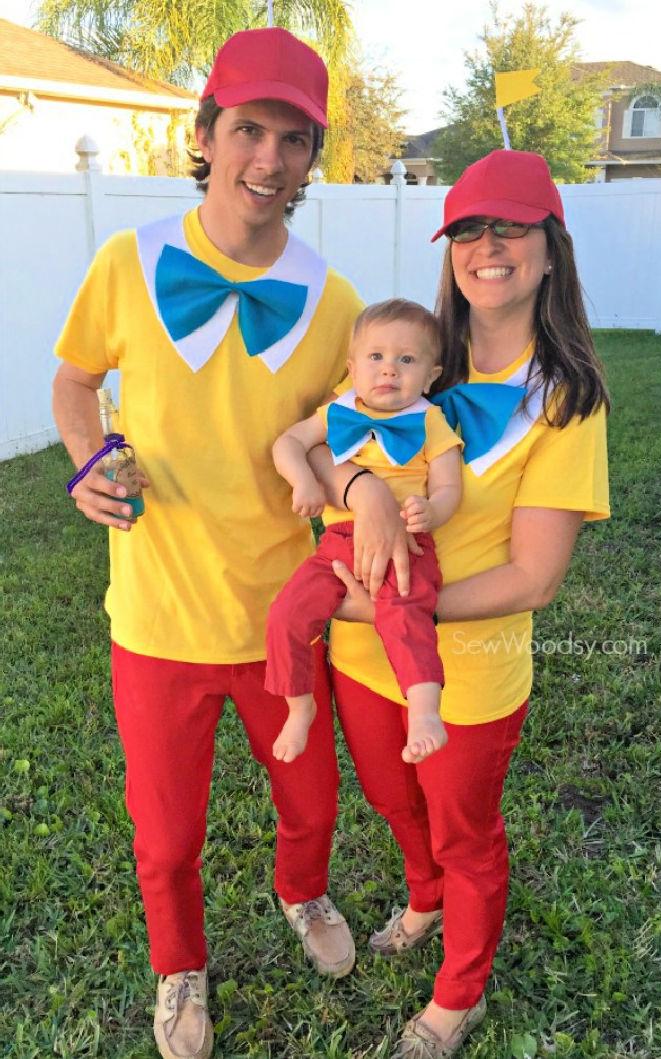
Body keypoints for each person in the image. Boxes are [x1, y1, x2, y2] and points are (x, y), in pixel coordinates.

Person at [52, 27, 363, 1059]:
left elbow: (350, 444)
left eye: (292, 138)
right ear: (204, 133)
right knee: (169, 834)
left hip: (285, 619)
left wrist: (347, 496)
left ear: (312, 159)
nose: (267, 159)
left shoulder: (335, 304)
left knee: (311, 804)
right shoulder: (130, 262)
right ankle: (179, 969)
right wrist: (92, 460)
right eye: (248, 130)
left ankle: (303, 895)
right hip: (155, 617)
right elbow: (74, 377)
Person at [314, 149, 611, 1057]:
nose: (489, 247)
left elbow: (535, 577)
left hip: (467, 677)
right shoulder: (412, 356)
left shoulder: (565, 401)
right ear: (450, 249)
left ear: (549, 250)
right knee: (392, 799)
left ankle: (460, 991)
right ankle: (423, 895)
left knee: (465, 829)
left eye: (511, 228)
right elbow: (326, 445)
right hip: (361, 660)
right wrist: (362, 486)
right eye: (470, 230)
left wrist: (394, 610)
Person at [265, 299, 463, 765]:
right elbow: (288, 443)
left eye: (406, 360)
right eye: (375, 357)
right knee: (287, 613)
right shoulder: (338, 410)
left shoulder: (429, 420)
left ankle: (423, 710)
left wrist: (432, 510)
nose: (389, 369)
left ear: (431, 376)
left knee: (407, 612)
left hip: (406, 547)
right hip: (337, 547)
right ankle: (299, 704)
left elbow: (450, 484)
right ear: (352, 367)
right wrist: (304, 481)